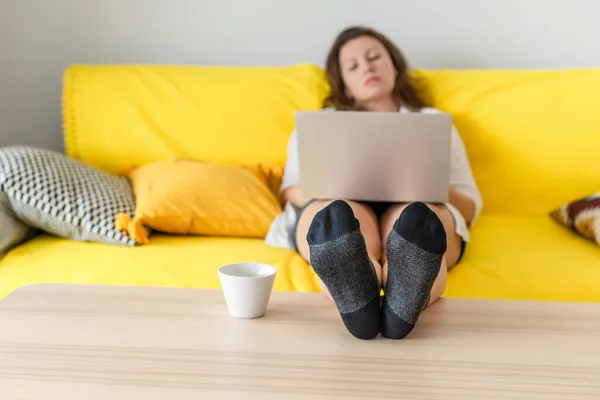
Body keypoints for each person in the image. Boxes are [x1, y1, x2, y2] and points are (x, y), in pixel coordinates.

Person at [271, 26, 482, 340]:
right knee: (334, 216)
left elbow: (469, 205)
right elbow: (292, 190)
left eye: (374, 58)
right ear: (344, 84)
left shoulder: (433, 123)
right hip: (341, 205)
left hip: (417, 205)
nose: (366, 67)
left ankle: (402, 295)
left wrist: (430, 182)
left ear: (394, 66)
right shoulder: (320, 126)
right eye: (353, 66)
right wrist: (335, 184)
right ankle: (361, 290)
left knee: (417, 217)